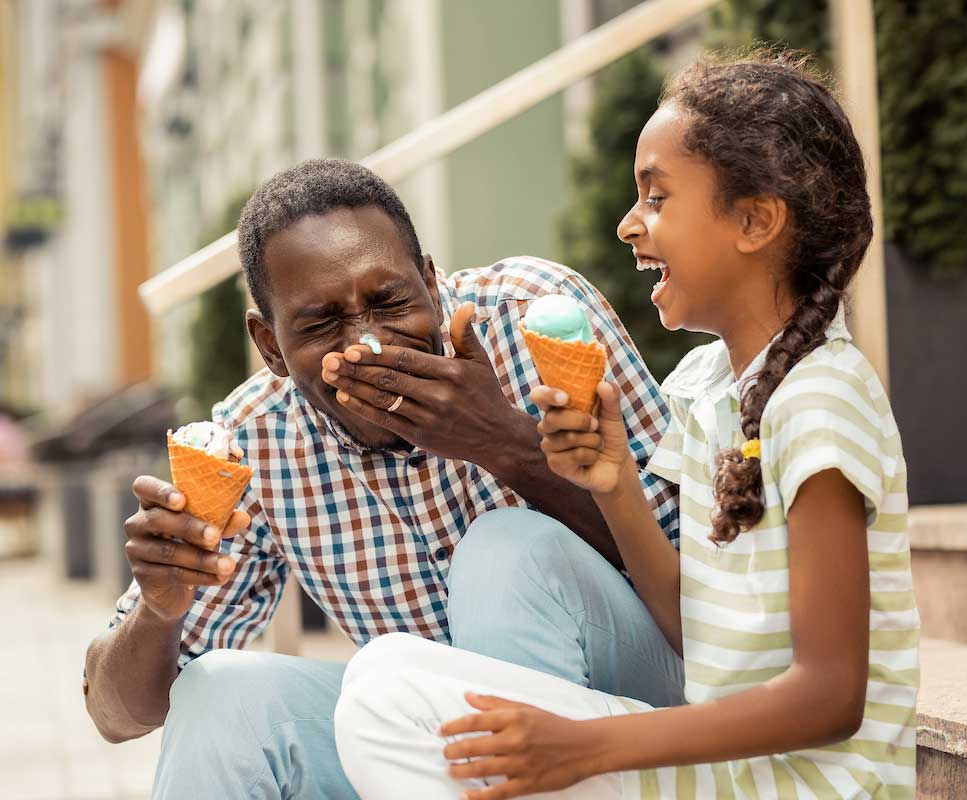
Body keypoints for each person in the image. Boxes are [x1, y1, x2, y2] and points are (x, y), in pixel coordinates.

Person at [334, 48, 920, 799]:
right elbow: (697, 634)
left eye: (657, 197)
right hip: (723, 774)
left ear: (754, 220)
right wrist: (614, 489)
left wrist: (587, 747)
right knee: (382, 671)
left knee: (390, 706)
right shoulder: (709, 387)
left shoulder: (821, 401)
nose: (627, 224)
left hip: (794, 787)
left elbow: (831, 696)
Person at [82, 159, 684, 799]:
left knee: (505, 550)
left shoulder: (531, 316)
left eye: (389, 301)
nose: (365, 343)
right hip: (431, 750)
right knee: (219, 696)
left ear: (431, 280)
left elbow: (702, 577)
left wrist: (505, 445)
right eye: (320, 324)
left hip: (636, 715)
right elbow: (116, 716)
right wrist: (159, 607)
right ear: (270, 346)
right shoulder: (254, 442)